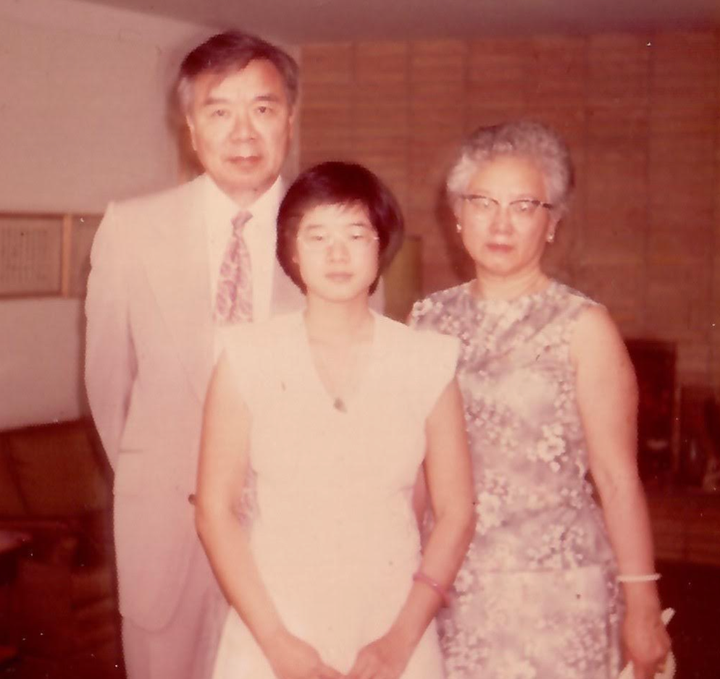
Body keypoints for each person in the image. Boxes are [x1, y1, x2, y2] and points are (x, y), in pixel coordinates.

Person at [411, 121, 671, 679]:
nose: (500, 223)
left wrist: (644, 605)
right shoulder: (427, 321)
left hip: (557, 595)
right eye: (483, 203)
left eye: (524, 206)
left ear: (551, 223)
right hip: (452, 589)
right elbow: (416, 469)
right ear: (458, 215)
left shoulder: (583, 326)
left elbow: (616, 476)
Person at [196, 161, 476, 679]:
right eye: (318, 235)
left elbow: (456, 512)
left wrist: (399, 643)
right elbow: (215, 510)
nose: (338, 253)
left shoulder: (428, 360)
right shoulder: (246, 356)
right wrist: (279, 645)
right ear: (292, 250)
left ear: (381, 244)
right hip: (273, 627)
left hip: (394, 627)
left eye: (356, 233)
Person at [85, 30, 307, 679]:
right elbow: (110, 392)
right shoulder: (130, 229)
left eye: (262, 109)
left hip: (292, 534)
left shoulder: (338, 231)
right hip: (165, 531)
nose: (243, 133)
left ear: (289, 122)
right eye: (219, 111)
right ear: (190, 127)